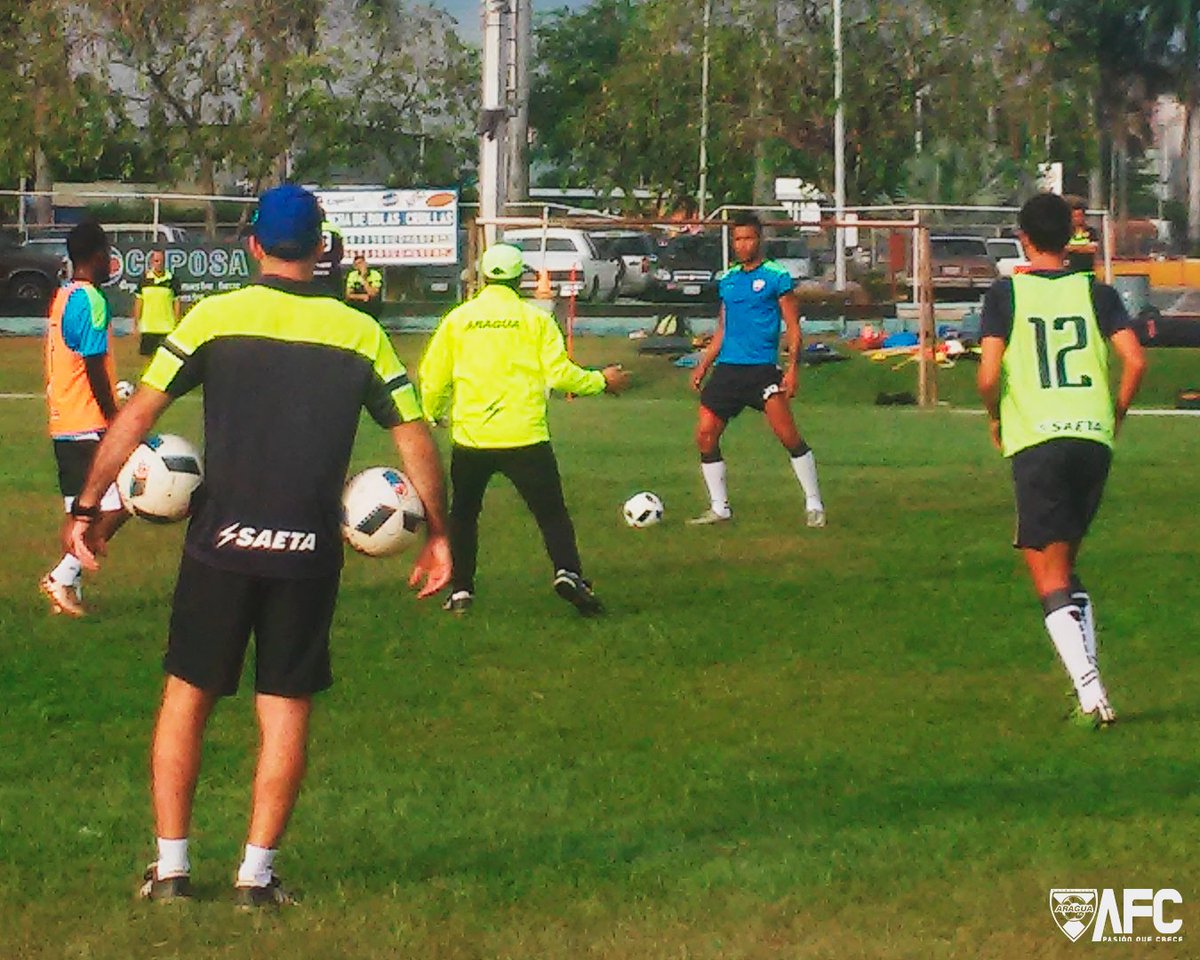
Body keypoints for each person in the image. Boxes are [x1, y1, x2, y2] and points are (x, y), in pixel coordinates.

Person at [62, 184, 452, 906]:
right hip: (307, 556)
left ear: (253, 247)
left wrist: (88, 505)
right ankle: (255, 878)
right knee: (284, 709)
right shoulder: (359, 332)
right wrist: (441, 534)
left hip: (221, 547)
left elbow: (138, 414)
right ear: (323, 248)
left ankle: (172, 870)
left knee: (188, 699)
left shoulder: (215, 315)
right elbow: (412, 437)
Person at [977, 192, 1146, 729]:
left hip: (1039, 437)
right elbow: (1136, 361)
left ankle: (1092, 693)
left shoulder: (1007, 294)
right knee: (1064, 565)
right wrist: (1114, 411)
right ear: (1070, 238)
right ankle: (1088, 686)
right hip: (1093, 436)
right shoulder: (1097, 294)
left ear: (1023, 238)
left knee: (1045, 569)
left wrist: (994, 414)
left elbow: (986, 375)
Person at [419, 242, 630, 616]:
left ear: (483, 276)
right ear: (522, 278)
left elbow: (433, 376)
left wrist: (433, 412)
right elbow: (562, 374)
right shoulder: (535, 320)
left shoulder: (459, 319)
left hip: (472, 438)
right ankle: (568, 572)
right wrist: (602, 380)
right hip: (525, 436)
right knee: (551, 513)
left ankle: (462, 590)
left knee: (464, 516)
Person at [688, 213, 826, 527]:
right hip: (727, 371)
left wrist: (792, 369)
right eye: (737, 239)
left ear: (760, 239)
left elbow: (792, 326)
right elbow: (723, 328)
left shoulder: (776, 276)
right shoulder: (728, 279)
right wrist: (703, 365)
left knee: (788, 437)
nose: (743, 244)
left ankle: (814, 503)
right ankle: (719, 507)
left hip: (762, 370)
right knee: (705, 435)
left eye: (748, 238)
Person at [39, 221, 127, 617]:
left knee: (84, 511)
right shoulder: (91, 299)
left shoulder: (62, 297)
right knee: (124, 500)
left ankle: (67, 584)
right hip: (88, 422)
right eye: (108, 252)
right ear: (97, 256)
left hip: (65, 421)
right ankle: (62, 575)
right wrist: (118, 420)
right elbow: (91, 366)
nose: (111, 260)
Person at [133, 249, 182, 357]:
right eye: (156, 261)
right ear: (151, 262)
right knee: (147, 361)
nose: (159, 264)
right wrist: (136, 324)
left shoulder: (173, 280)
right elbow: (139, 302)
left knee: (167, 359)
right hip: (148, 328)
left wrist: (176, 323)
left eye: (161, 261)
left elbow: (177, 303)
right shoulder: (144, 279)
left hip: (167, 327)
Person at [312, 207, 345, 297]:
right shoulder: (335, 228)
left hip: (314, 268)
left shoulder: (311, 228)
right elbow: (340, 251)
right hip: (331, 268)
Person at [1065, 199, 1099, 275]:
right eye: (1075, 216)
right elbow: (1065, 248)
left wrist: (1073, 248)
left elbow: (1092, 249)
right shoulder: (1067, 232)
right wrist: (1083, 248)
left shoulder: (1091, 231)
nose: (1077, 219)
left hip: (1087, 271)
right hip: (1070, 272)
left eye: (1079, 216)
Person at [345, 254, 384, 319]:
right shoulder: (352, 275)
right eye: (357, 264)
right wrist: (362, 297)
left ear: (366, 264)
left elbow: (373, 293)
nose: (360, 266)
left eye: (361, 263)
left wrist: (363, 278)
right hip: (357, 306)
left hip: (372, 307)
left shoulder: (375, 274)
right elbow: (348, 295)